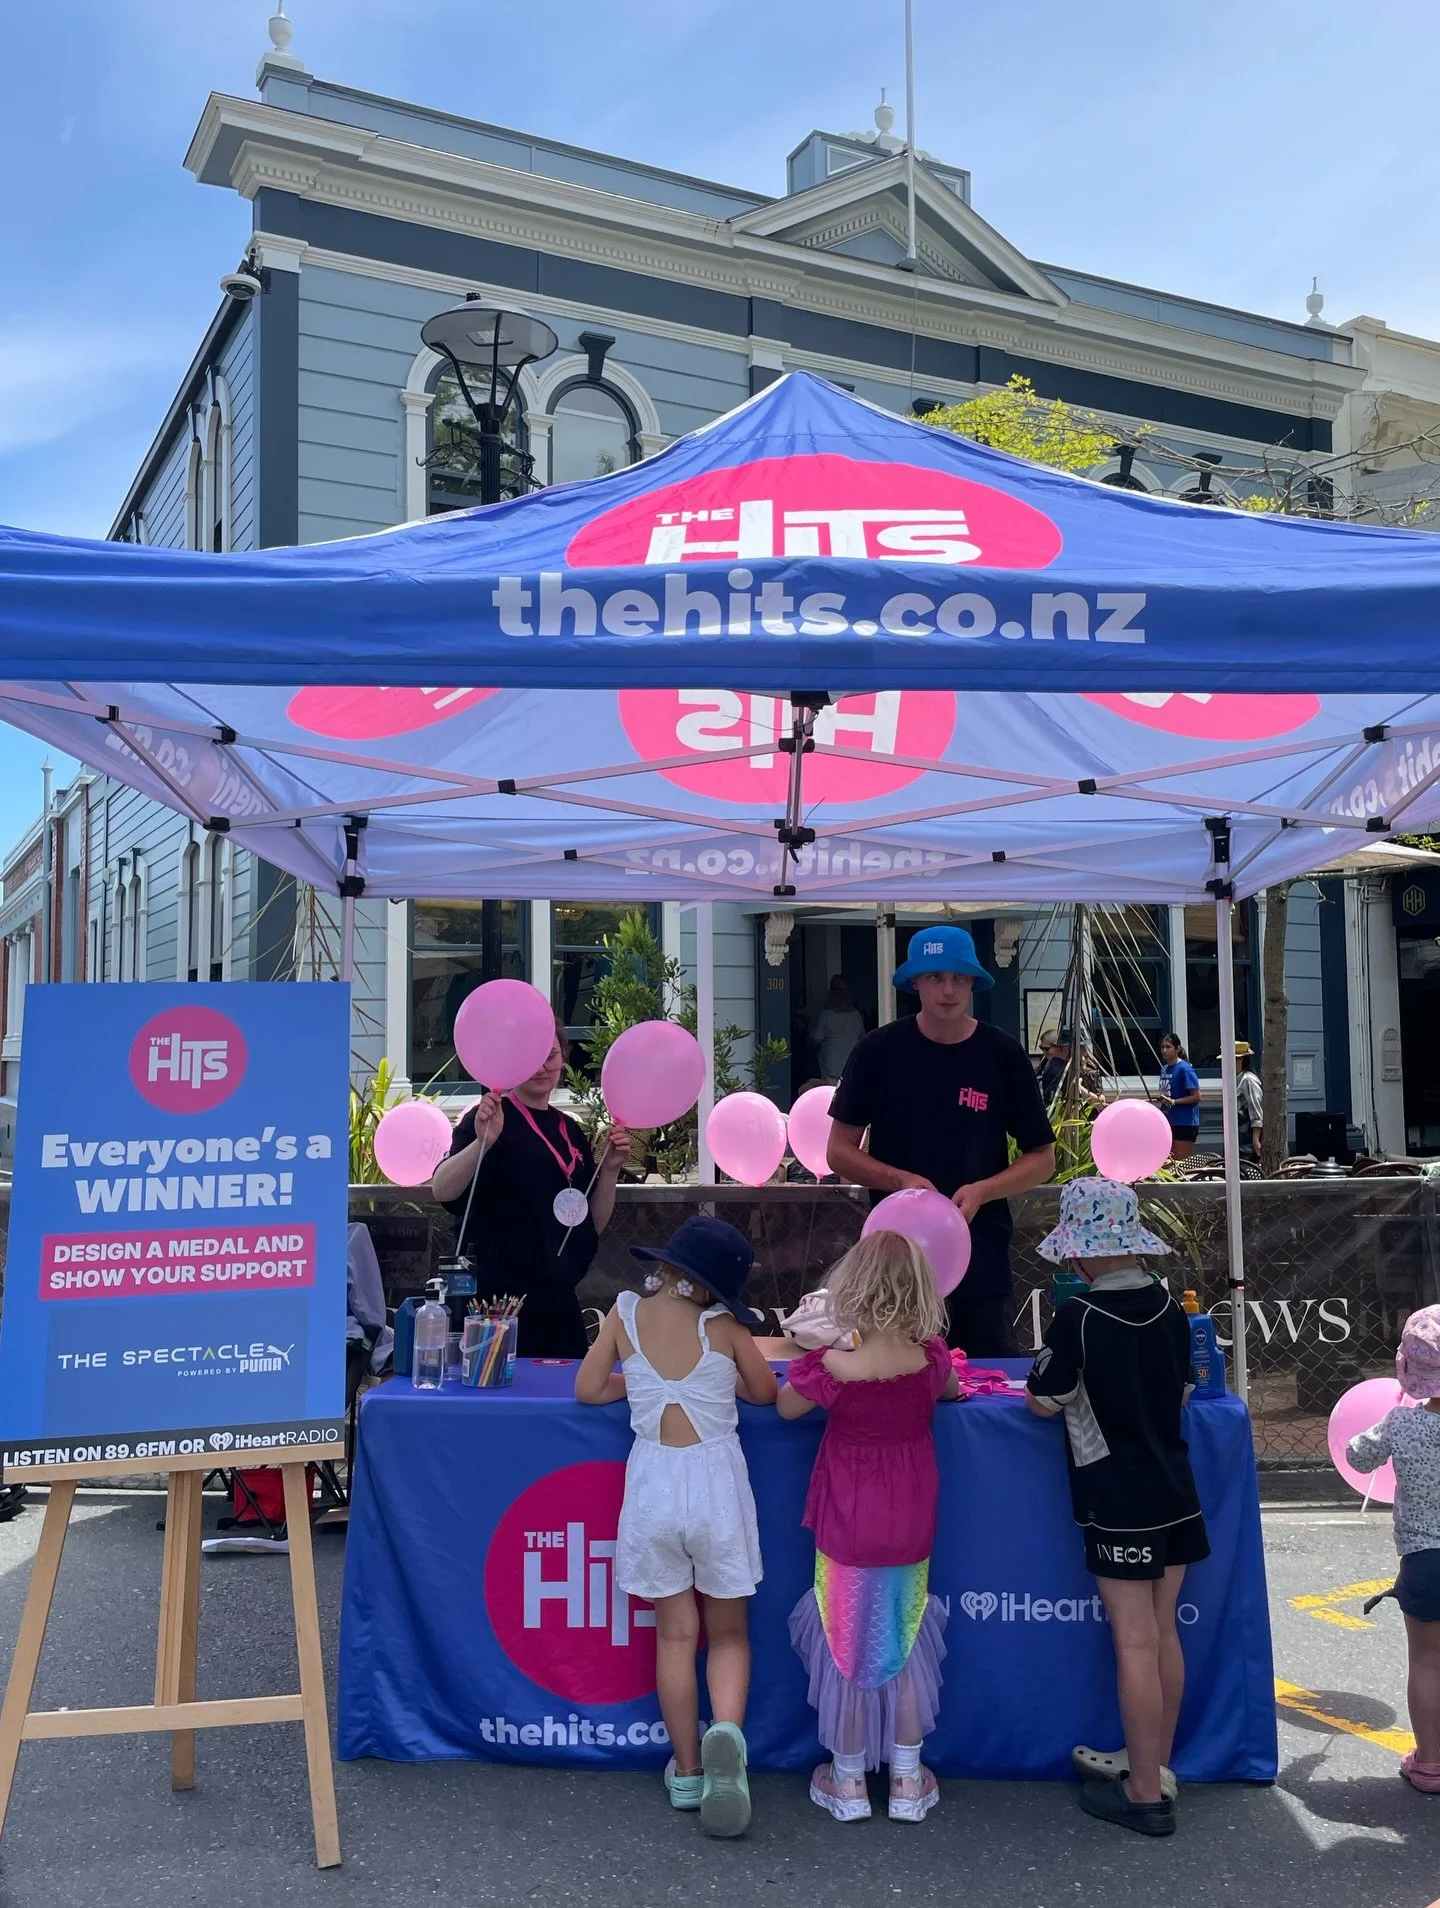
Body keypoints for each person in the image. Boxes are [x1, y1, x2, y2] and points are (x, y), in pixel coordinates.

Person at [575, 1217, 777, 1836]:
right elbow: (765, 1392)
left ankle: (687, 1770)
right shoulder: (724, 1326)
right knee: (728, 1634)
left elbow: (587, 1389)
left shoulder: (625, 1313)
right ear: (714, 1287)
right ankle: (728, 1747)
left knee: (674, 1637)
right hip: (716, 1488)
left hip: (653, 1487)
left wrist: (638, 1384)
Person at [1026, 1177, 1209, 1837]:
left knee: (1134, 1639)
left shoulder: (1077, 1317)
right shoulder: (1169, 1306)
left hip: (1116, 1495)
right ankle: (1153, 1765)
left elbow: (1043, 1399)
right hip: (1174, 1488)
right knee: (1162, 1634)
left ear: (1081, 1253)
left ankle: (1142, 1795)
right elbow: (1187, 1390)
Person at [778, 1232, 958, 1824]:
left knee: (846, 1642)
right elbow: (953, 1388)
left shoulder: (833, 1365)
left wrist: (826, 1339)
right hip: (911, 1515)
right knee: (903, 1639)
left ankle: (849, 1778)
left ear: (852, 1288)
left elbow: (785, 1406)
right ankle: (907, 1778)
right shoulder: (929, 1359)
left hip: (848, 1518)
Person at [826, 923, 1056, 1356]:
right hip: (894, 1263)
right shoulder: (877, 1051)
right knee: (895, 1384)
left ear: (972, 982)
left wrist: (984, 1191)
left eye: (957, 977)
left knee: (985, 1385)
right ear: (915, 982)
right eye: (934, 977)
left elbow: (1042, 1159)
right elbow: (838, 1152)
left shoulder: (1002, 1055)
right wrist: (899, 1181)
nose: (947, 990)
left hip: (980, 1256)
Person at [430, 1016, 630, 1358]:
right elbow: (442, 1189)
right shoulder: (488, 1117)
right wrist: (482, 1143)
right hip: (496, 1305)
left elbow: (589, 1223)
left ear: (563, 1057)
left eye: (550, 1055)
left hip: (557, 1298)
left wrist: (609, 1170)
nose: (542, 1067)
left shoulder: (571, 1130)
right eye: (531, 1057)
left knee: (567, 1398)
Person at [1345, 1305, 1440, 1794]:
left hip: (1426, 1561)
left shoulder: (1401, 1424)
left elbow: (1356, 1456)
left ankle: (1430, 1763)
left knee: (1427, 1661)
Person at [811, 976, 866, 1084]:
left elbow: (815, 1039)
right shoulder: (856, 1015)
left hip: (833, 1069)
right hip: (849, 1068)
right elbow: (862, 1037)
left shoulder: (826, 1015)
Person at [1157, 1034, 1202, 1160]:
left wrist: (1174, 1101)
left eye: (1168, 1047)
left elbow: (1197, 1096)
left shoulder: (1185, 1069)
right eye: (1162, 1047)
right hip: (1168, 1120)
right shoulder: (1164, 1069)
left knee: (1180, 1162)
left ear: (1177, 1049)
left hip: (1184, 1122)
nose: (1164, 1050)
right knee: (1167, 1161)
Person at [1235, 1041, 1263, 1161]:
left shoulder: (1248, 1080)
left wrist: (1255, 1139)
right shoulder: (1236, 1079)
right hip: (1237, 1138)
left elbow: (1255, 1110)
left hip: (1246, 1140)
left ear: (1240, 1060)